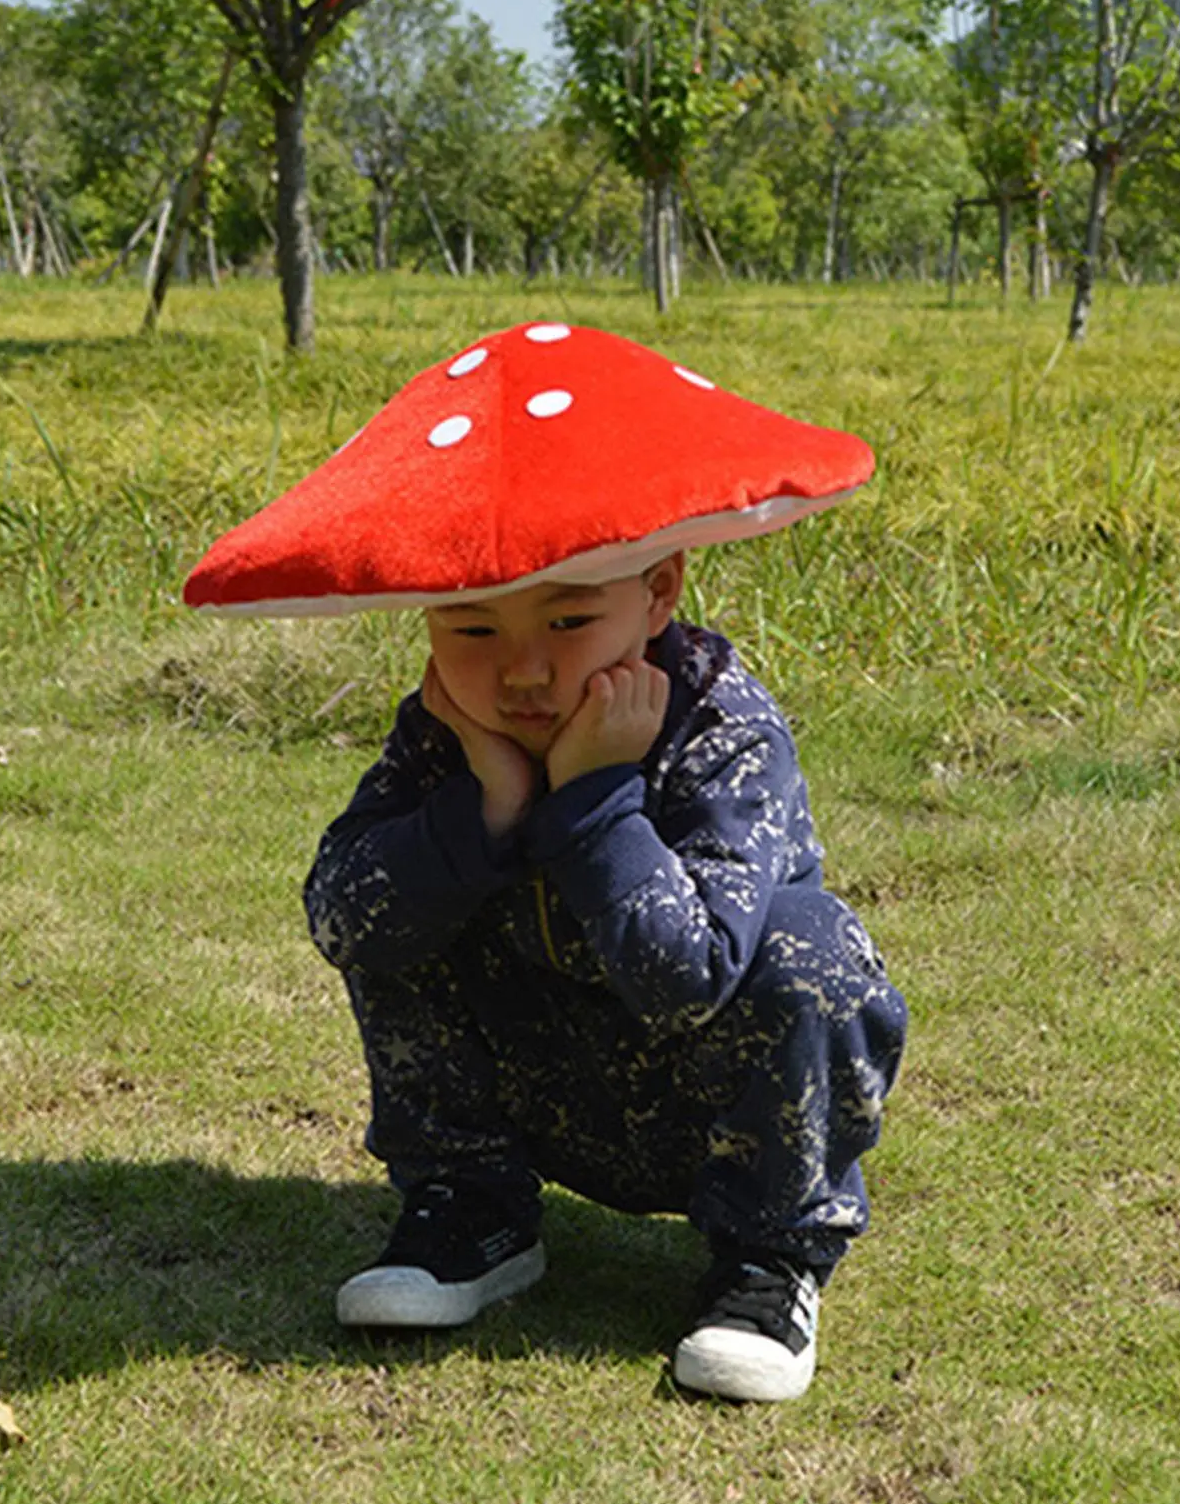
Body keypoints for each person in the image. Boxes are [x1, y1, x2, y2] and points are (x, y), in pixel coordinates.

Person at [303, 548, 907, 1403]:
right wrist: (486, 808)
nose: (522, 671)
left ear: (658, 592)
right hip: (538, 1090)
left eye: (569, 621)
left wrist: (591, 801)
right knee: (399, 893)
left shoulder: (721, 726)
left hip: (710, 1114)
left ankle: (769, 1256)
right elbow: (341, 921)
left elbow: (689, 978)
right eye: (471, 627)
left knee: (810, 947)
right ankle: (474, 1209)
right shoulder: (447, 728)